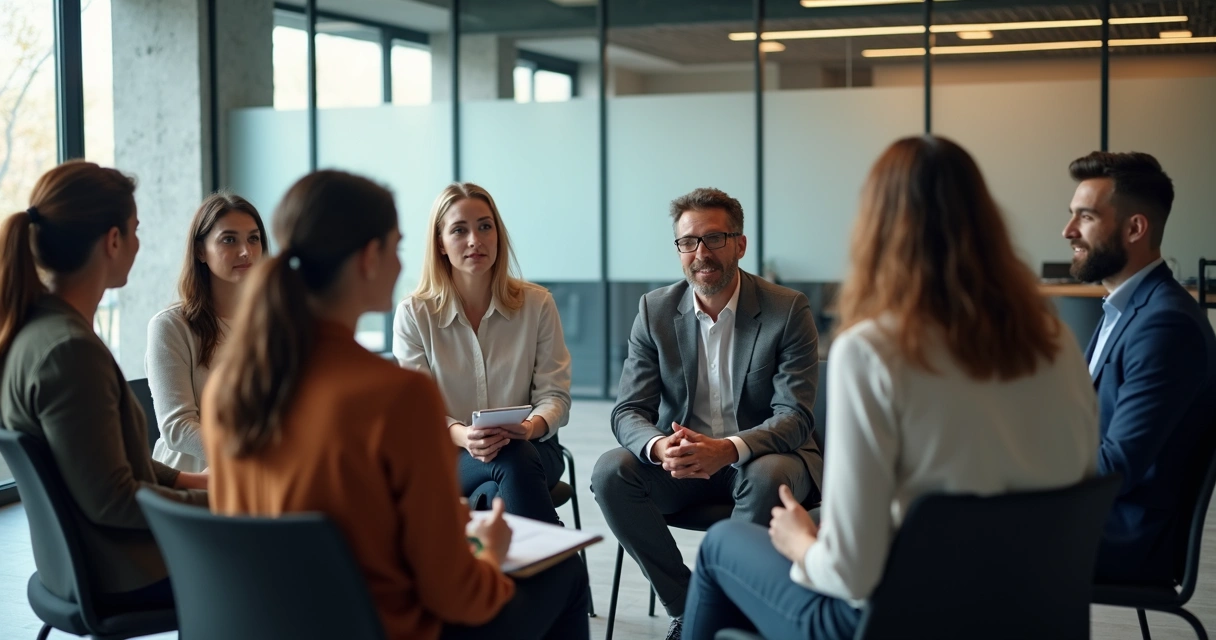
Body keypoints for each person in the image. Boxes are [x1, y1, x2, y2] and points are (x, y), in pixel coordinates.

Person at [682, 136, 1099, 640]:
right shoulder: (1055, 341)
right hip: (1030, 615)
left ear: (876, 228)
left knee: (722, 544)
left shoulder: (872, 350)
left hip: (898, 621)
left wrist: (801, 543)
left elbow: (851, 575)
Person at [201, 170, 588, 640]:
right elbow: (455, 593)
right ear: (370, 257)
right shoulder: (397, 397)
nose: (402, 262)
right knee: (565, 572)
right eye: (397, 246)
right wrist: (487, 551)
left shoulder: (231, 388)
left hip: (272, 626)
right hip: (385, 629)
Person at [592, 187, 822, 640]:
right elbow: (628, 410)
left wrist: (728, 449)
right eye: (688, 241)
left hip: (761, 458)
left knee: (767, 476)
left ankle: (723, 613)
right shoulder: (655, 310)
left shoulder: (787, 309)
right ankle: (690, 608)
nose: (701, 253)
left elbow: (794, 415)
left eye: (715, 238)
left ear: (740, 244)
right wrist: (660, 447)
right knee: (610, 473)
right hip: (683, 465)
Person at [0, 161, 208, 611]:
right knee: (300, 559)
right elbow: (114, 500)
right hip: (127, 570)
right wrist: (226, 502)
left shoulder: (38, 331)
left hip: (94, 562)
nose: (138, 243)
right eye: (136, 230)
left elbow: (107, 464)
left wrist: (194, 480)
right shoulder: (70, 352)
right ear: (114, 240)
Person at [1064, 151, 1216, 584]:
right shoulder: (1128, 309)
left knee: (956, 536)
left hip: (1127, 536)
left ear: (1134, 228)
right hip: (1101, 518)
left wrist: (1021, 469)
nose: (1068, 230)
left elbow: (1118, 464)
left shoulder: (1165, 324)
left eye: (1086, 217)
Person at [394, 182, 571, 524]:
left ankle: (536, 553)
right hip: (450, 454)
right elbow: (418, 413)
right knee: (499, 487)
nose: (475, 240)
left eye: (485, 227)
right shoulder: (414, 314)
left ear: (497, 235)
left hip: (534, 446)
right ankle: (558, 554)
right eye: (459, 230)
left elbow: (555, 395)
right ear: (440, 244)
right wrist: (465, 436)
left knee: (512, 456)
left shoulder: (537, 305)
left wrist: (529, 427)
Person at [147, 193, 266, 472]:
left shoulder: (272, 321)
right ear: (200, 251)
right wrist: (248, 458)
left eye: (253, 238)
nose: (246, 251)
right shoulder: (170, 326)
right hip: (192, 479)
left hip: (261, 473)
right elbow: (177, 428)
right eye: (229, 240)